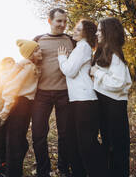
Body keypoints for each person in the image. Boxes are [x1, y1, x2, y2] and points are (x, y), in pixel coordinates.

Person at [57, 19, 107, 177]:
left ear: (86, 33)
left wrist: (61, 58)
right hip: (78, 100)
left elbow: (70, 71)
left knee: (87, 143)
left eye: (79, 29)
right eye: (75, 28)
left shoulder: (83, 46)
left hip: (85, 100)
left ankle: (100, 172)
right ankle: (80, 172)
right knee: (76, 140)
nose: (75, 31)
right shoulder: (81, 47)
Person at [32, 8, 75, 177]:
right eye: (59, 21)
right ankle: (43, 171)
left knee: (66, 134)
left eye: (65, 21)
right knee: (38, 134)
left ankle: (64, 168)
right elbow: (28, 62)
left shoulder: (72, 40)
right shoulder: (37, 40)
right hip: (41, 94)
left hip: (65, 93)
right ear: (49, 21)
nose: (63, 25)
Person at [0, 39, 42, 177]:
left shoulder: (30, 65)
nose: (40, 51)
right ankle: (12, 172)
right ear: (30, 54)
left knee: (18, 141)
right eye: (36, 50)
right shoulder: (29, 67)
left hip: (25, 105)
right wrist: (6, 110)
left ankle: (8, 168)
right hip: (20, 105)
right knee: (15, 142)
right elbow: (12, 87)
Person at [90, 17, 132, 177]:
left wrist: (97, 73)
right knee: (109, 144)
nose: (97, 33)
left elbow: (119, 83)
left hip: (114, 106)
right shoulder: (104, 52)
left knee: (118, 147)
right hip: (106, 104)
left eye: (100, 30)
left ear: (108, 32)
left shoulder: (115, 54)